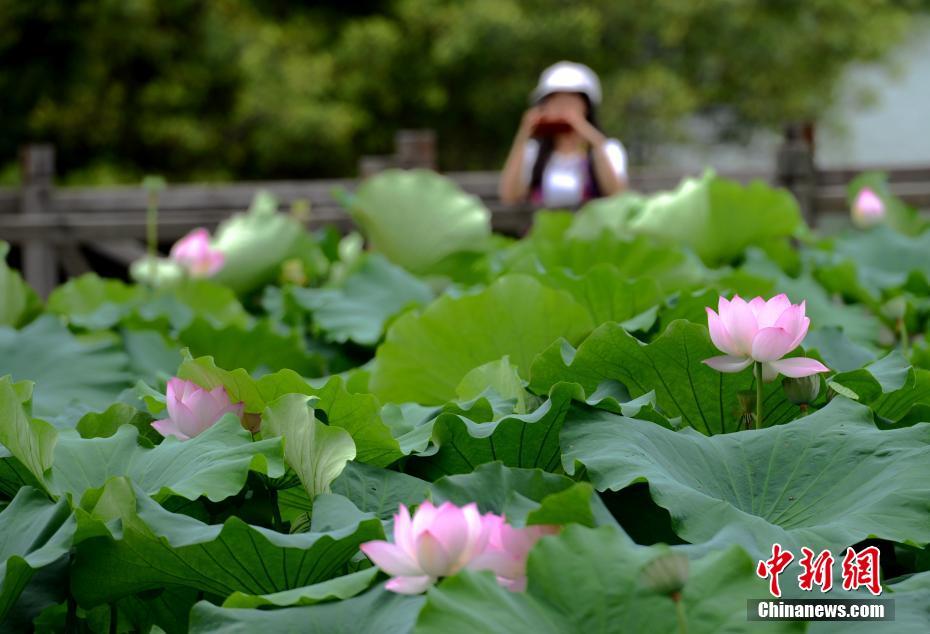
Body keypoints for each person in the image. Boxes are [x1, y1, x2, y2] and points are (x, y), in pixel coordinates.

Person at [499, 61, 628, 207]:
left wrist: (594, 140)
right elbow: (509, 197)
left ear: (587, 106)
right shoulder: (533, 152)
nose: (562, 108)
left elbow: (617, 196)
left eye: (570, 101)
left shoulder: (608, 148)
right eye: (555, 101)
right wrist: (524, 133)